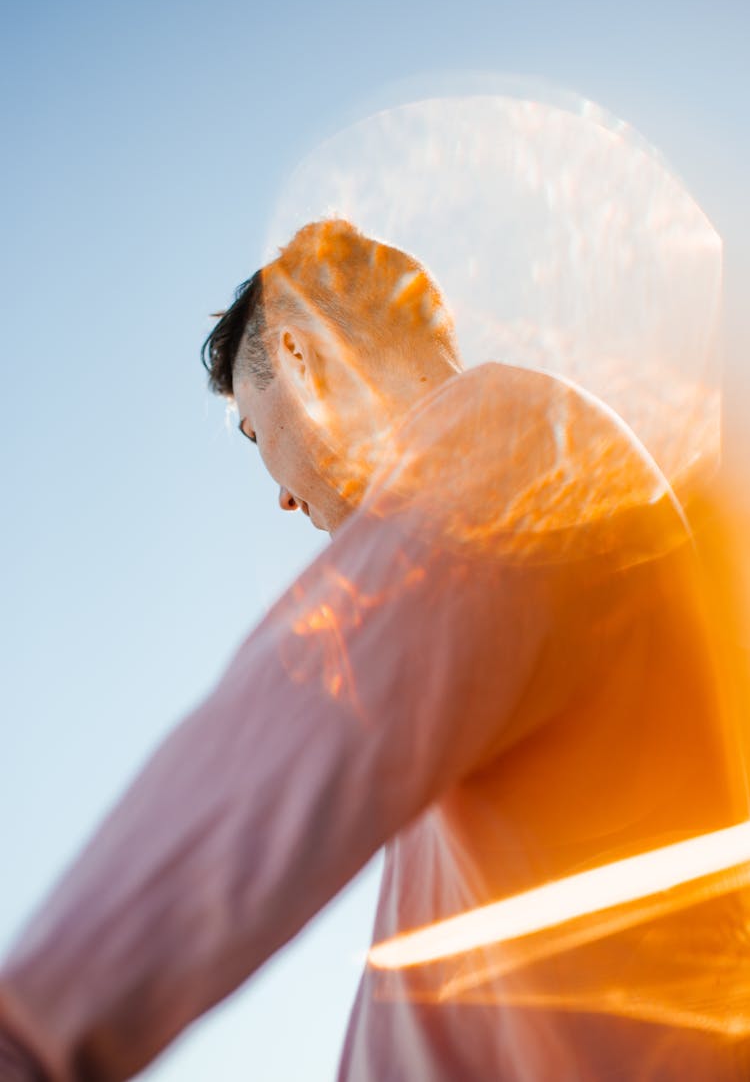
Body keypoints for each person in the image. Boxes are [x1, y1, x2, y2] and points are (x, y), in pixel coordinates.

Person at [1, 220, 748, 1080]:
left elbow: (269, 757)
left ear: (300, 358)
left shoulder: (505, 449)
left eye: (257, 434)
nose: (281, 495)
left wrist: (28, 1031)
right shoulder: (549, 487)